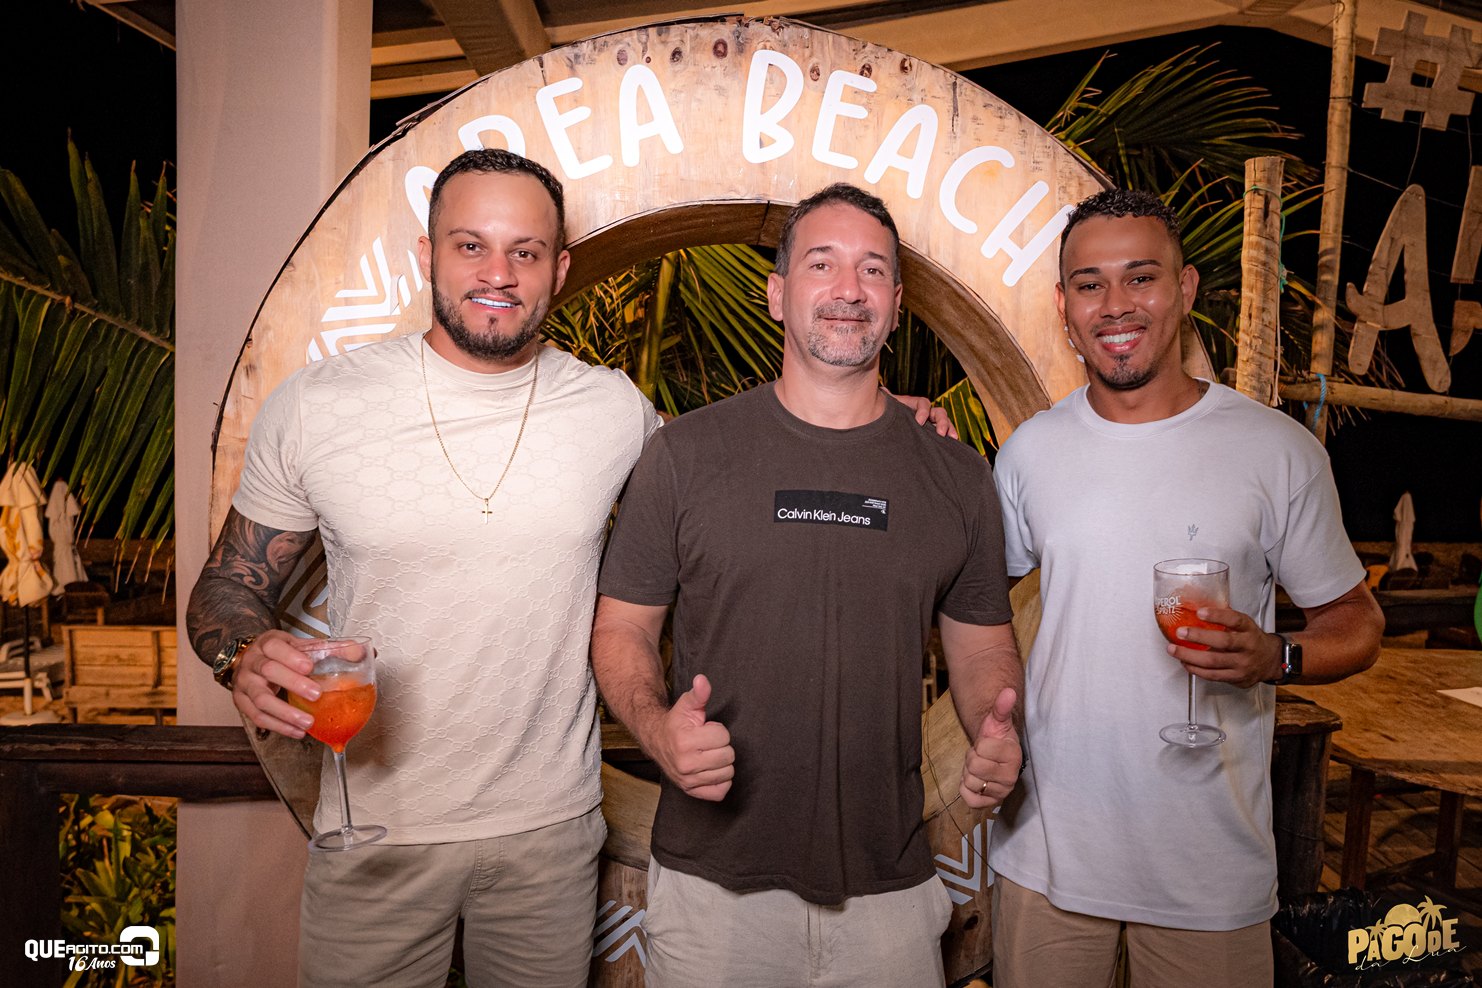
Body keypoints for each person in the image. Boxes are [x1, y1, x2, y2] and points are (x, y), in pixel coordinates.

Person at [187, 151, 954, 987]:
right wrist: (242, 653)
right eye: (470, 245)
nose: (497, 273)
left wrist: (876, 422)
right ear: (427, 254)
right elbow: (227, 590)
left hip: (550, 840)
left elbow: (736, 468)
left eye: (524, 251)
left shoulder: (611, 410)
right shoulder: (316, 406)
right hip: (372, 836)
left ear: (560, 267)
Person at [591, 183, 1024, 987]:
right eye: (821, 265)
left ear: (896, 303)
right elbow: (620, 631)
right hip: (712, 891)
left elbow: (983, 649)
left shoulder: (957, 475)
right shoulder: (684, 456)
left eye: (872, 270)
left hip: (890, 896)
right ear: (777, 294)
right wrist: (656, 730)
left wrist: (996, 729)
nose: (848, 290)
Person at [986, 188, 1385, 988]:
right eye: (1090, 284)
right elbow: (982, 610)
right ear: (1064, 305)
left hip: (1209, 869)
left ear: (1186, 288)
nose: (1116, 305)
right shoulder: (1029, 452)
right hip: (1049, 855)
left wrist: (1279, 656)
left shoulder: (1275, 451)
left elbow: (1356, 620)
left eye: (1141, 277)